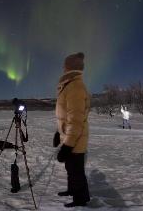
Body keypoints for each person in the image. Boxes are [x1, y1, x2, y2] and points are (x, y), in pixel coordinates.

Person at [55, 52, 91, 208]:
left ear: (70, 67)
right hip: (70, 136)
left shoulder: (75, 87)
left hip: (75, 139)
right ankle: (72, 190)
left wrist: (67, 145)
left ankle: (80, 199)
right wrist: (59, 133)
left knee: (76, 171)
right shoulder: (69, 86)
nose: (63, 68)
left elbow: (75, 121)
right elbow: (66, 117)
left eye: (65, 65)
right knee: (71, 168)